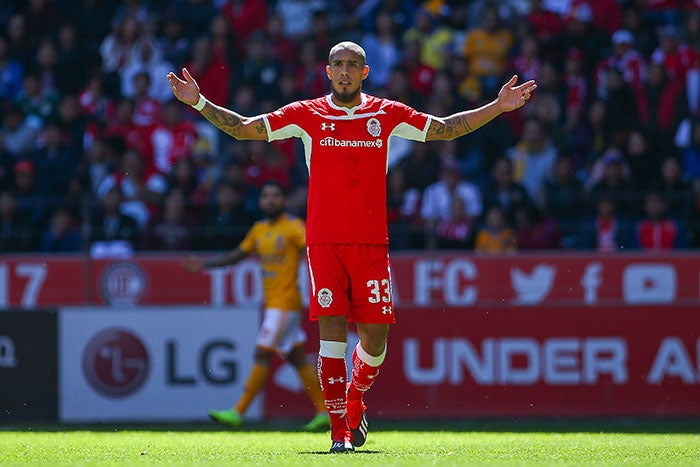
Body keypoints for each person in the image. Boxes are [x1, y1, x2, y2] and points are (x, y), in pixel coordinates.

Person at [167, 40, 536, 453]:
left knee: (376, 342)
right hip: (324, 243)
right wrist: (199, 102)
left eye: (352, 65)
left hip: (371, 245)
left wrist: (497, 107)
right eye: (337, 64)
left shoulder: (387, 113)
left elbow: (446, 127)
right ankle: (339, 433)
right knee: (332, 340)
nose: (344, 71)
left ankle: (357, 397)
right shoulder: (306, 114)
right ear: (327, 71)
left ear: (364, 72)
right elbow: (242, 127)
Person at [181, 180, 330, 432]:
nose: (270, 200)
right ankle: (325, 411)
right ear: (260, 201)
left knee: (262, 353)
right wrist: (203, 265)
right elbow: (237, 255)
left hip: (285, 303)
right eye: (265, 196)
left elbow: (314, 249)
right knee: (295, 357)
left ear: (284, 200)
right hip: (275, 305)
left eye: (275, 195)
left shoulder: (293, 228)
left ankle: (238, 412)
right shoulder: (259, 229)